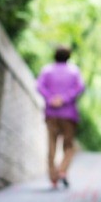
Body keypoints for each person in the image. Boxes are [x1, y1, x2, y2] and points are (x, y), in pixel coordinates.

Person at [36, 46, 85, 188]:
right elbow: (80, 87)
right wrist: (63, 98)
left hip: (51, 113)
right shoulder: (74, 71)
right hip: (68, 113)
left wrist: (51, 98)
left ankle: (53, 177)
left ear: (55, 55)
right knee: (69, 146)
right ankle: (62, 170)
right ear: (68, 57)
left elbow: (39, 86)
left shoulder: (47, 70)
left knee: (51, 145)